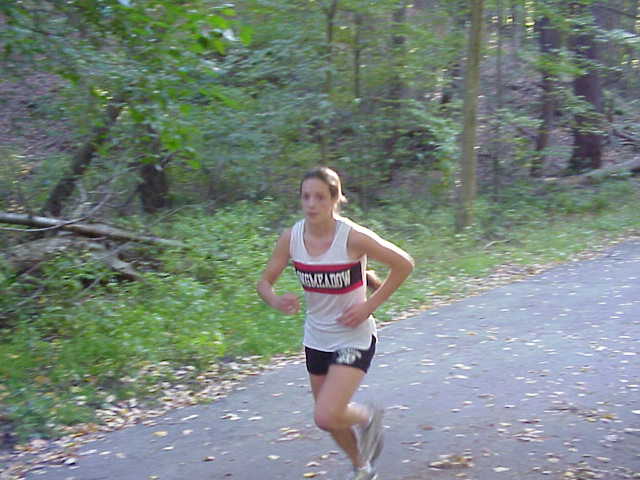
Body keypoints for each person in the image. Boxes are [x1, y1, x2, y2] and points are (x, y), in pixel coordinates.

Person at [256, 166, 414, 480]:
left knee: (326, 415)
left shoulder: (352, 237)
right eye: (306, 197)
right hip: (316, 338)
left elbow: (403, 265)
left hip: (353, 337)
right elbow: (264, 282)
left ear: (335, 199)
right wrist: (275, 300)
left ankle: (367, 417)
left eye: (319, 197)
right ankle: (362, 467)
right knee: (330, 419)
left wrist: (368, 306)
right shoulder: (292, 238)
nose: (311, 204)